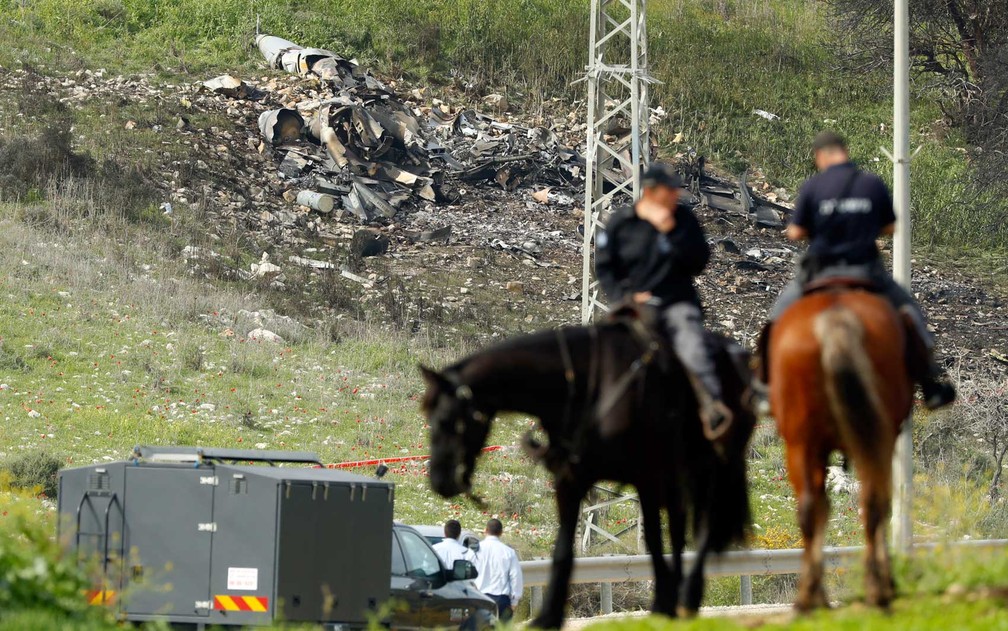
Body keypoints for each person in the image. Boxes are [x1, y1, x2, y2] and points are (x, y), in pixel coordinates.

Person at [760, 130, 955, 409]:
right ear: (844, 151)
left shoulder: (814, 186)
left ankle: (765, 384)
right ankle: (931, 383)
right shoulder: (870, 184)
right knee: (911, 314)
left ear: (821, 155)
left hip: (820, 269)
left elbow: (796, 232)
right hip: (864, 269)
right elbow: (891, 227)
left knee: (777, 318)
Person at [595, 162, 732, 437]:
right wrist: (625, 297)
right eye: (669, 191)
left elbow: (699, 261)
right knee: (601, 349)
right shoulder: (623, 222)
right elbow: (605, 266)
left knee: (691, 344)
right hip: (632, 305)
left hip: (675, 302)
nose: (675, 196)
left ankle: (710, 406)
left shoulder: (684, 220)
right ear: (650, 191)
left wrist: (672, 234)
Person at [471, 518, 522, 621]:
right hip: (501, 600)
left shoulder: (474, 550)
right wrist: (514, 602)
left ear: (485, 530)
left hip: (479, 598)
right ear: (501, 532)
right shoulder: (509, 552)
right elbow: (516, 577)